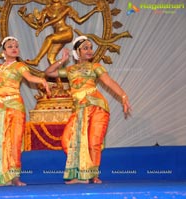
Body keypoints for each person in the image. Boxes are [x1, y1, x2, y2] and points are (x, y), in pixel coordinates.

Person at [45, 36, 132, 184]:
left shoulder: (95, 66)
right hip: (79, 109)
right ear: (77, 52)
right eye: (85, 48)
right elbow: (49, 73)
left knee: (94, 141)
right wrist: (62, 60)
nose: (89, 50)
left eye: (90, 48)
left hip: (96, 106)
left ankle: (93, 174)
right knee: (67, 140)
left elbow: (109, 81)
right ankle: (81, 172)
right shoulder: (70, 69)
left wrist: (123, 96)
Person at [0, 36, 50, 186]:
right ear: (4, 51)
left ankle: (15, 177)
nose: (14, 48)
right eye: (10, 46)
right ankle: (2, 176)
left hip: (15, 107)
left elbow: (30, 78)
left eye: (16, 46)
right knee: (0, 142)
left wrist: (42, 80)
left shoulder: (20, 66)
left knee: (15, 142)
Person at [18, 0, 104, 66]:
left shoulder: (66, 8)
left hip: (66, 33)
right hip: (58, 36)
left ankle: (37, 60)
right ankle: (59, 81)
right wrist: (24, 17)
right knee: (50, 58)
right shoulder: (46, 10)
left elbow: (79, 20)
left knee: (49, 38)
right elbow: (38, 26)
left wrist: (94, 10)